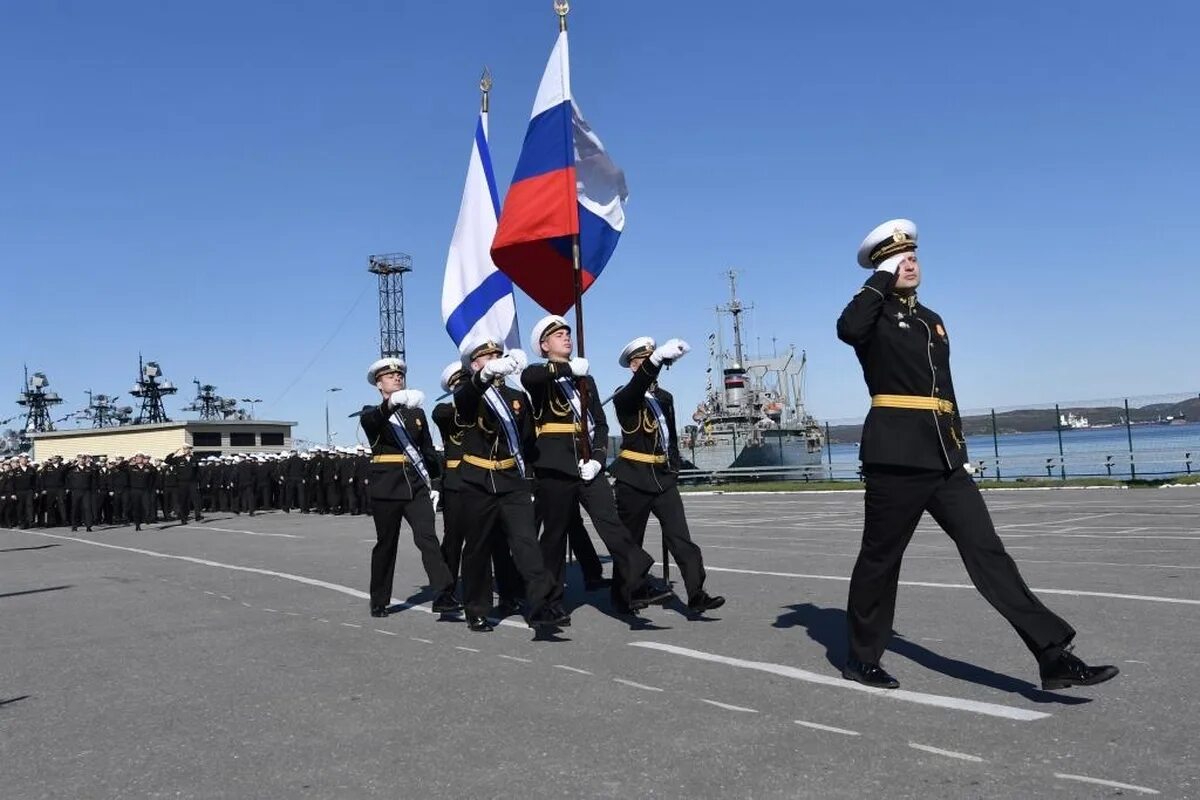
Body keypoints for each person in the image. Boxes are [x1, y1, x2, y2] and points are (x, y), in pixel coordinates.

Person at [836, 218, 1118, 691]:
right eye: (896, 257)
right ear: (879, 267)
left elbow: (944, 392)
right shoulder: (872, 314)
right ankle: (862, 658)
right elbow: (847, 328)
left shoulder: (931, 320)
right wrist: (879, 279)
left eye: (912, 255)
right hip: (896, 459)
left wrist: (959, 450)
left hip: (944, 459)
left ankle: (1051, 655)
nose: (908, 261)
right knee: (880, 562)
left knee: (989, 553)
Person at [521, 314, 672, 614]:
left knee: (612, 525)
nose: (566, 336)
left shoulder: (585, 379)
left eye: (567, 332)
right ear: (544, 344)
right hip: (554, 467)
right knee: (554, 536)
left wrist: (599, 460)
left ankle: (636, 584)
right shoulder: (542, 377)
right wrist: (564, 368)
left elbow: (600, 426)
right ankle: (546, 603)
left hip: (587, 463)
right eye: (558, 334)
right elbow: (530, 378)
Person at [452, 340, 568, 631]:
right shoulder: (468, 394)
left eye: (496, 355)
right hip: (477, 480)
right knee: (477, 548)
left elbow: (527, 440)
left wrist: (528, 477)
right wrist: (484, 376)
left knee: (526, 543)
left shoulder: (517, 396)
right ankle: (476, 607)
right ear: (474, 364)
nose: (493, 359)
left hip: (511, 480)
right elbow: (466, 396)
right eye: (485, 356)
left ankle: (541, 605)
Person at [611, 336, 724, 615]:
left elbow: (671, 438)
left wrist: (674, 468)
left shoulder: (665, 398)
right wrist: (657, 359)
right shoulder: (624, 395)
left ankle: (696, 593)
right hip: (633, 478)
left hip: (662, 477)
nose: (649, 365)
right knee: (631, 539)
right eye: (644, 361)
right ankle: (623, 594)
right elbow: (637, 389)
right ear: (633, 367)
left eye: (652, 358)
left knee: (681, 538)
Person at [358, 356, 460, 619]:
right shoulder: (371, 411)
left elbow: (427, 449)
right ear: (379, 384)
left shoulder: (416, 413)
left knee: (427, 538)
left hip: (415, 484)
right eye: (390, 376)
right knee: (386, 544)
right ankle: (379, 599)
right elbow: (374, 422)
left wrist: (435, 482)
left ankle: (443, 594)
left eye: (399, 375)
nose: (397, 378)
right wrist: (392, 404)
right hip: (386, 485)